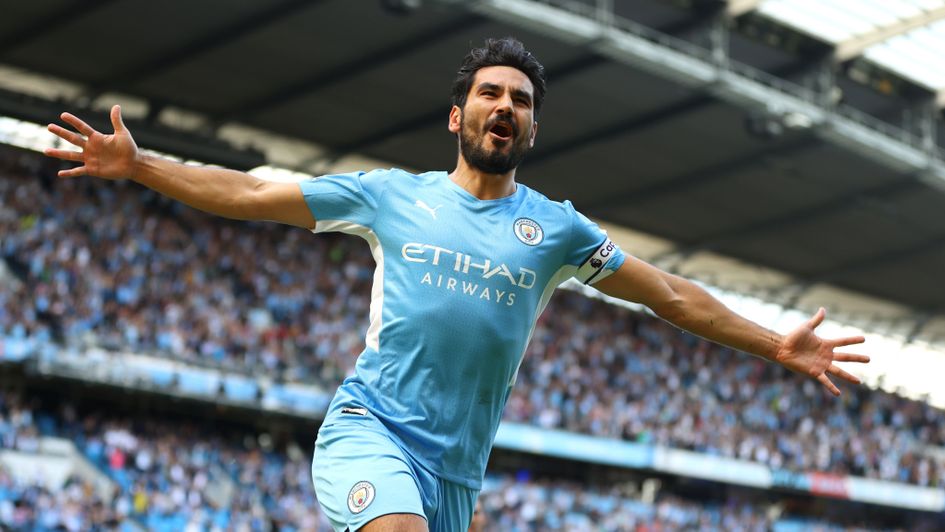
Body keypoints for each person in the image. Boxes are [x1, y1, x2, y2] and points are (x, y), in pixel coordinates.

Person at [45, 37, 869, 532]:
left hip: (457, 476)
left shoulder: (555, 230)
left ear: (532, 128)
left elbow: (670, 295)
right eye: (488, 94)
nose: (503, 106)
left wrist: (773, 343)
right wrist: (140, 164)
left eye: (518, 100)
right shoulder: (390, 196)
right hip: (372, 431)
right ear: (458, 117)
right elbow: (255, 193)